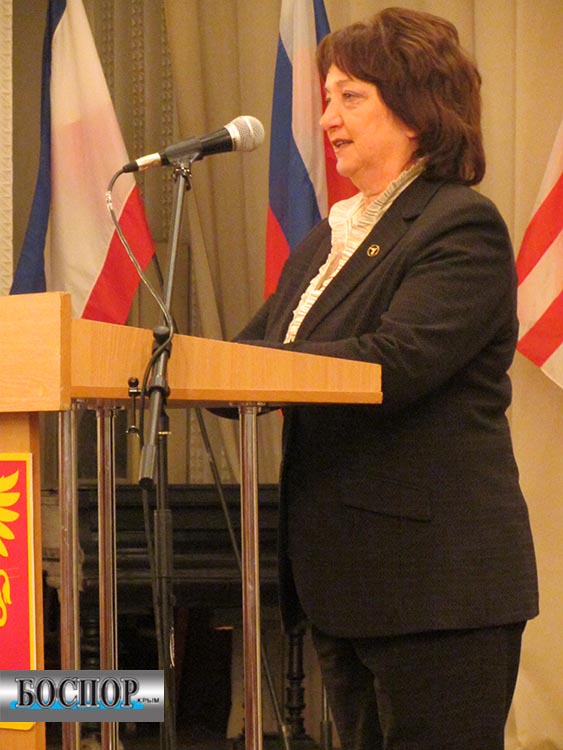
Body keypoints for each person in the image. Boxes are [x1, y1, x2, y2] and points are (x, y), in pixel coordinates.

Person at [232, 8, 538, 749]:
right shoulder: (331, 237)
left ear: (414, 109)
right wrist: (162, 363)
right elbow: (248, 354)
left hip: (434, 589)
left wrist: (261, 370)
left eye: (350, 97)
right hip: (343, 584)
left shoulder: (459, 224)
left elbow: (398, 360)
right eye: (326, 98)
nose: (327, 119)